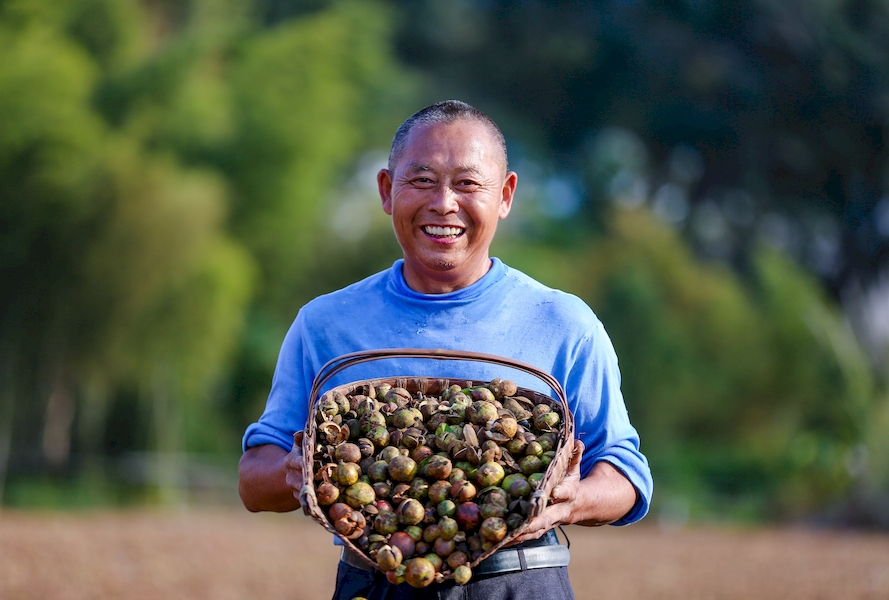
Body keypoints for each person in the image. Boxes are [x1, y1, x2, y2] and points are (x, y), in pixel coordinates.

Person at [238, 100, 653, 599]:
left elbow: (626, 472)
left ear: (505, 195)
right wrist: (295, 472)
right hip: (378, 582)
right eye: (422, 180)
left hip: (519, 582)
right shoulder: (325, 324)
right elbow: (253, 479)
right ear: (388, 192)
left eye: (467, 184)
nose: (444, 204)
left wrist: (576, 498)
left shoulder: (564, 323)